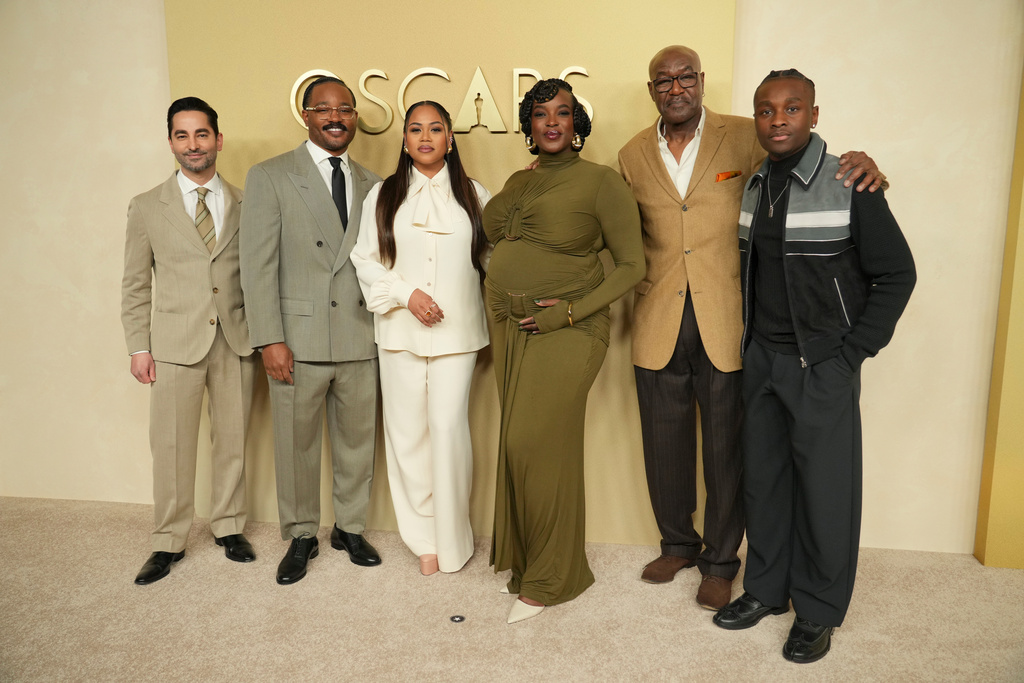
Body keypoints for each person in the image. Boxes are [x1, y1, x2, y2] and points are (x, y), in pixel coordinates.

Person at [617, 45, 885, 609]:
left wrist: (861, 162)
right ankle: (677, 544)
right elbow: (621, 230)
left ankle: (720, 560)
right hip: (658, 315)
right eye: (662, 80)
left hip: (729, 321)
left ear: (701, 81)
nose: (675, 87)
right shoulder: (630, 153)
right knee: (662, 444)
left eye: (685, 76)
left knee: (729, 452)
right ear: (651, 91)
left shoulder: (746, 134)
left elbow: (806, 162)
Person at [712, 70, 915, 664]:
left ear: (814, 115)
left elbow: (896, 274)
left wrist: (851, 354)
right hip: (763, 361)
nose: (778, 119)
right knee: (765, 486)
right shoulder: (752, 184)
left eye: (792, 108)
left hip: (821, 364)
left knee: (826, 494)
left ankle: (819, 611)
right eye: (766, 110)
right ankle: (767, 591)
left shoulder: (850, 180)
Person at [484, 78, 645, 623]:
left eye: (564, 112)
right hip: (512, 325)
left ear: (578, 124)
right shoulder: (516, 180)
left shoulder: (601, 182)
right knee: (519, 447)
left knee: (535, 443)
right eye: (541, 113)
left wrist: (570, 311)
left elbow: (632, 266)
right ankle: (533, 563)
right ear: (529, 126)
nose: (552, 122)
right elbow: (495, 236)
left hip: (569, 328)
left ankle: (554, 579)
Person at [240, 76, 382, 585]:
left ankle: (350, 526)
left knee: (357, 441)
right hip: (296, 339)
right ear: (306, 115)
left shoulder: (373, 182)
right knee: (295, 443)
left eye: (346, 108)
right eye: (324, 108)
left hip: (360, 333)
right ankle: (302, 534)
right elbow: (255, 266)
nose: (336, 117)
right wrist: (269, 338)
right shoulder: (271, 175)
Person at [351, 101, 491, 576]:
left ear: (450, 138)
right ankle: (423, 540)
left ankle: (454, 540)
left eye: (436, 129)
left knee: (449, 432)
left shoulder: (475, 194)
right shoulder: (383, 195)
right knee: (408, 437)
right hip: (397, 332)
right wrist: (406, 294)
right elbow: (365, 260)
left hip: (458, 336)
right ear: (405, 139)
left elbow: (496, 259)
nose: (425, 137)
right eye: (416, 129)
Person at [122, 97, 257, 585]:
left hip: (235, 339)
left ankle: (228, 526)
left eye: (201, 134)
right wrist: (139, 346)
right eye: (182, 135)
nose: (193, 144)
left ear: (218, 140)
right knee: (172, 445)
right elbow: (136, 283)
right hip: (174, 344)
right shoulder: (146, 206)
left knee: (233, 442)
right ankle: (168, 540)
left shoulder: (247, 202)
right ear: (171, 143)